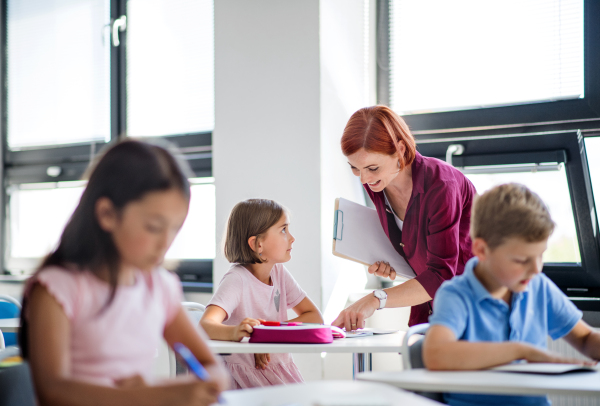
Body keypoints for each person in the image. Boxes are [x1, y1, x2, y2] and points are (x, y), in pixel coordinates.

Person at [19, 140, 228, 406]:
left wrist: (165, 388)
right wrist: (153, 395)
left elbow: (213, 367)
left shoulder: (160, 286)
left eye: (175, 229)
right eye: (154, 227)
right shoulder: (57, 288)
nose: (166, 242)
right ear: (107, 214)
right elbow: (54, 391)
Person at [423, 183, 600, 406]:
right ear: (482, 250)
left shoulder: (538, 286)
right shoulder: (456, 295)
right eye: (521, 260)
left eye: (540, 256)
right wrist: (521, 351)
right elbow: (436, 355)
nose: (536, 269)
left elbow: (584, 338)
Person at [333, 105, 476, 331]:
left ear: (400, 149)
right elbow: (419, 250)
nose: (363, 179)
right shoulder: (378, 183)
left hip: (471, 309)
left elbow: (441, 275)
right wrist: (392, 262)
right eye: (355, 168)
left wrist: (376, 298)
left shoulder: (441, 185)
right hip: (426, 308)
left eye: (372, 167)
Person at [200, 199, 323, 389]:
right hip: (246, 378)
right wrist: (239, 333)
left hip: (279, 371)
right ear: (257, 244)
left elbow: (315, 317)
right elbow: (206, 325)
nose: (292, 238)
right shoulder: (237, 279)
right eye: (283, 230)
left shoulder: (279, 272)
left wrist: (268, 335)